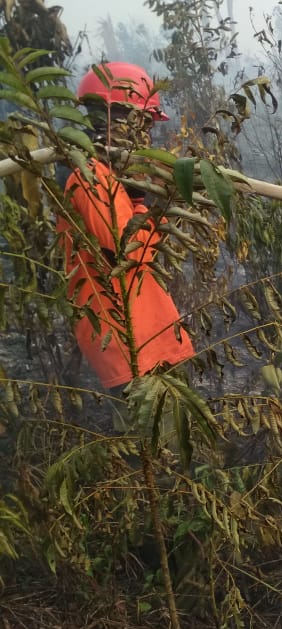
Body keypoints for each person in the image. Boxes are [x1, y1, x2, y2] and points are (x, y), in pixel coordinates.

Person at [56, 62, 195, 392]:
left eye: (146, 125)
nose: (144, 134)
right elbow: (130, 250)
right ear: (110, 118)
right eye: (139, 122)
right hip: (127, 342)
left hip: (146, 336)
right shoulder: (88, 177)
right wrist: (147, 201)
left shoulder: (108, 175)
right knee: (148, 438)